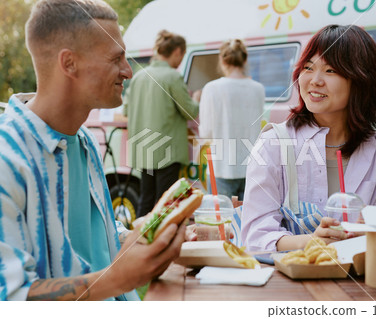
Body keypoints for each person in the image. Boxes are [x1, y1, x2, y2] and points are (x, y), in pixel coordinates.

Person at [0, 0, 186, 301]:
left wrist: (150, 238)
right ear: (69, 63)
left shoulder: (84, 140)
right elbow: (11, 298)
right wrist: (118, 279)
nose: (128, 71)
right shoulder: (7, 159)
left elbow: (99, 237)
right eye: (117, 58)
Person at [241, 24, 376, 252]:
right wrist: (313, 242)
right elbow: (255, 237)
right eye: (308, 67)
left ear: (361, 81)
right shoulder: (275, 144)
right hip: (284, 284)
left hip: (358, 284)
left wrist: (373, 235)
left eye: (331, 71)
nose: (315, 80)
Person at [124, 30, 200, 219]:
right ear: (176, 52)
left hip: (144, 149)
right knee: (165, 204)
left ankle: (139, 241)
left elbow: (126, 110)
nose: (180, 60)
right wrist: (197, 98)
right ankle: (160, 245)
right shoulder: (172, 77)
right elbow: (190, 111)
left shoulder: (139, 77)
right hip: (167, 151)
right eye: (182, 55)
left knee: (146, 200)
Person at [198, 39, 265, 200]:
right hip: (251, 168)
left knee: (221, 221)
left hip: (221, 167)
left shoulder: (211, 88)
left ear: (222, 60)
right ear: (245, 60)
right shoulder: (258, 89)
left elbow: (206, 133)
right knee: (247, 221)